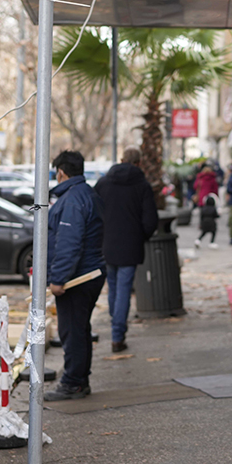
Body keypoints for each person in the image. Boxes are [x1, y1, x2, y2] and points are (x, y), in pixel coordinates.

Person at [45, 151, 106, 401]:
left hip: (78, 278)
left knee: (72, 330)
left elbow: (69, 244)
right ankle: (80, 380)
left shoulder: (71, 200)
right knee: (79, 329)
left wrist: (58, 279)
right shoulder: (86, 193)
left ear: (61, 172)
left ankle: (73, 383)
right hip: (88, 273)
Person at [94, 147, 159, 353]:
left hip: (107, 244)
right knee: (123, 289)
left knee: (113, 288)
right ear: (139, 163)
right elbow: (150, 221)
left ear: (121, 160)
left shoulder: (103, 183)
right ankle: (117, 335)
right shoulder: (142, 186)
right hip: (130, 245)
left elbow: (93, 212)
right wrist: (140, 236)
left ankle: (117, 325)